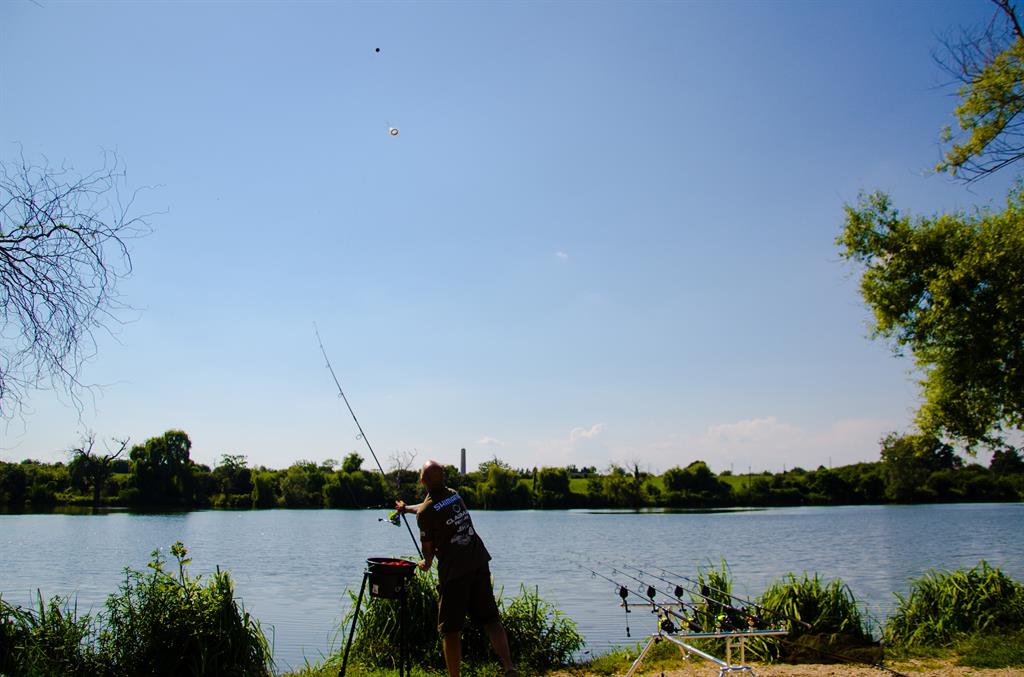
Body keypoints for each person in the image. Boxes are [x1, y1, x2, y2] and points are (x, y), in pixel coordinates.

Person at [396, 460, 518, 677]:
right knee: (491, 619)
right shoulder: (453, 494)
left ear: (422, 481)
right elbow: (427, 508)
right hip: (478, 561)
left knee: (450, 630)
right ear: (442, 477)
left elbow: (428, 547)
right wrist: (406, 508)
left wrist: (426, 563)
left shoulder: (426, 512)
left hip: (454, 572)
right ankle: (509, 668)